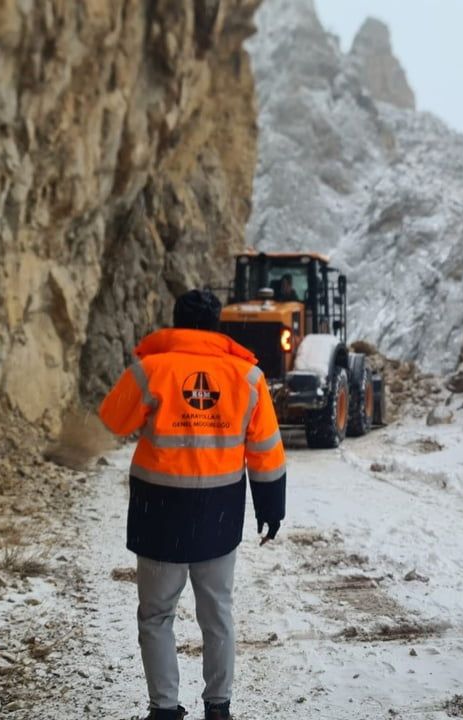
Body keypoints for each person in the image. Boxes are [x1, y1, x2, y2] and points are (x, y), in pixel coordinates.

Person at [98, 289, 287, 720]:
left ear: (175, 321)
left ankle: (163, 709)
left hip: (159, 513)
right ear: (216, 325)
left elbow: (113, 420)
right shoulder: (249, 378)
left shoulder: (151, 370)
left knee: (156, 615)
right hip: (218, 516)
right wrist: (270, 508)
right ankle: (218, 709)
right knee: (217, 615)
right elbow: (267, 451)